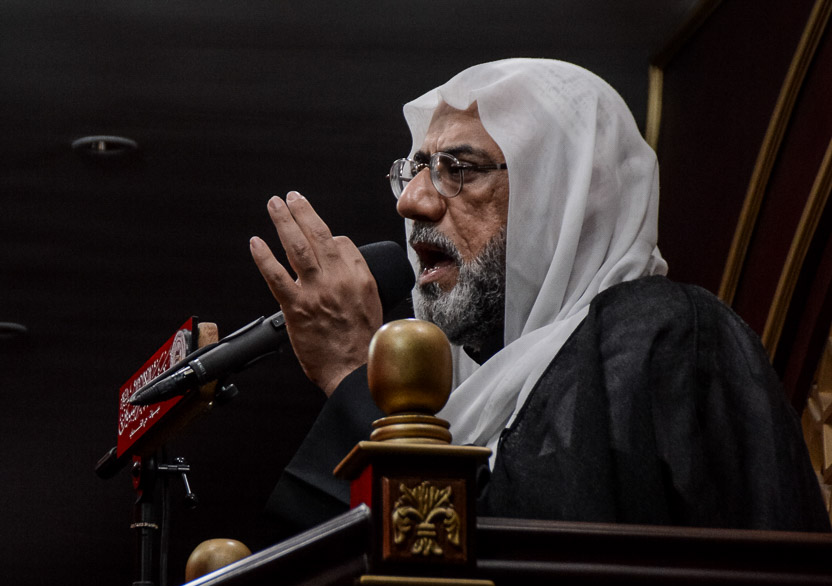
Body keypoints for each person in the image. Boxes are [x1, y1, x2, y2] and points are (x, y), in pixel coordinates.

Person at [249, 58, 830, 535]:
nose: (412, 202)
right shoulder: (461, 388)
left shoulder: (660, 337)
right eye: (417, 168)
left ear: (566, 198)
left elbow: (533, 584)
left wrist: (356, 373)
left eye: (459, 168)